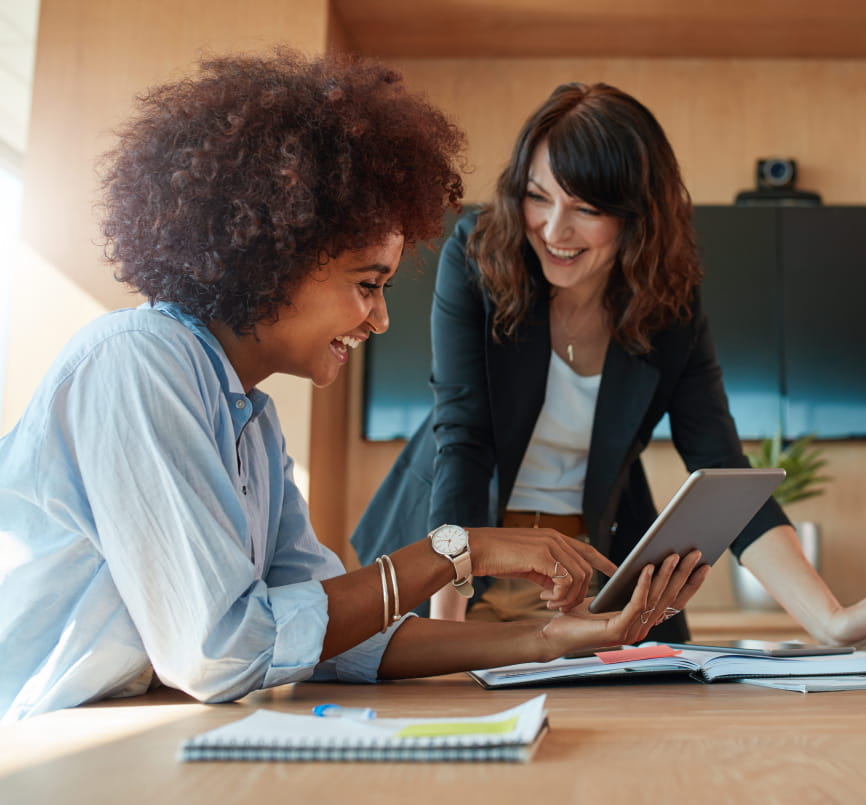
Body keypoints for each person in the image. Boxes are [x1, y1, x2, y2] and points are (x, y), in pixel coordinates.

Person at [0, 54, 706, 723]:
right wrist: (460, 550)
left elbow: (333, 637)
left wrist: (548, 639)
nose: (379, 316)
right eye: (367, 285)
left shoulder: (251, 421)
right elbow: (222, 650)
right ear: (275, 256)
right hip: (39, 736)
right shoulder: (138, 362)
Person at [352, 82, 866, 652]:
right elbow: (465, 440)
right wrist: (447, 636)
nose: (554, 230)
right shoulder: (480, 255)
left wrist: (833, 623)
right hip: (453, 567)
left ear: (636, 215)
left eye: (585, 208)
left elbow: (722, 469)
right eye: (538, 196)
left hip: (583, 582)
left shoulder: (668, 304)